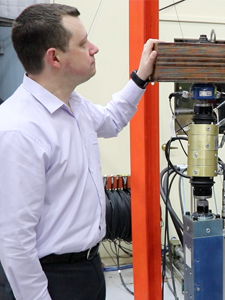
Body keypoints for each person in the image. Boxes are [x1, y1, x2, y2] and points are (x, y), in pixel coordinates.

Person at [0, 3, 157, 300]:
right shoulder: (19, 130)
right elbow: (15, 243)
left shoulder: (75, 104)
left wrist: (140, 78)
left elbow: (111, 121)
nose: (94, 48)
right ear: (54, 57)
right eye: (83, 43)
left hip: (89, 269)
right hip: (55, 280)